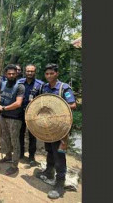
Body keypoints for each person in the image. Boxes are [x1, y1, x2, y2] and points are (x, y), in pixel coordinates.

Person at [37, 63, 77, 199]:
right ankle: (49, 171)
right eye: (47, 74)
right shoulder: (44, 87)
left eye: (51, 73)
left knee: (59, 153)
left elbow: (73, 105)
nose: (49, 76)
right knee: (49, 149)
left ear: (57, 74)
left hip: (61, 129)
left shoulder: (64, 88)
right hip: (48, 127)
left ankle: (60, 183)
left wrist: (57, 107)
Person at [0, 64, 25, 176]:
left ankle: (14, 165)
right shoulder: (2, 84)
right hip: (3, 116)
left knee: (14, 141)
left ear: (17, 74)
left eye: (13, 74)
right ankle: (8, 156)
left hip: (15, 118)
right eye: (9, 74)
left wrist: (3, 108)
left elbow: (18, 103)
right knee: (5, 138)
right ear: (6, 74)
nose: (11, 75)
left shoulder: (20, 87)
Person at [17, 64, 44, 166]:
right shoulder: (19, 82)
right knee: (20, 134)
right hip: (20, 112)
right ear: (25, 71)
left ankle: (32, 157)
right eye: (28, 71)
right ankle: (20, 154)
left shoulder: (40, 85)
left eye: (32, 71)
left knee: (33, 135)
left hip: (33, 115)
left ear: (35, 72)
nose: (30, 73)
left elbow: (43, 100)